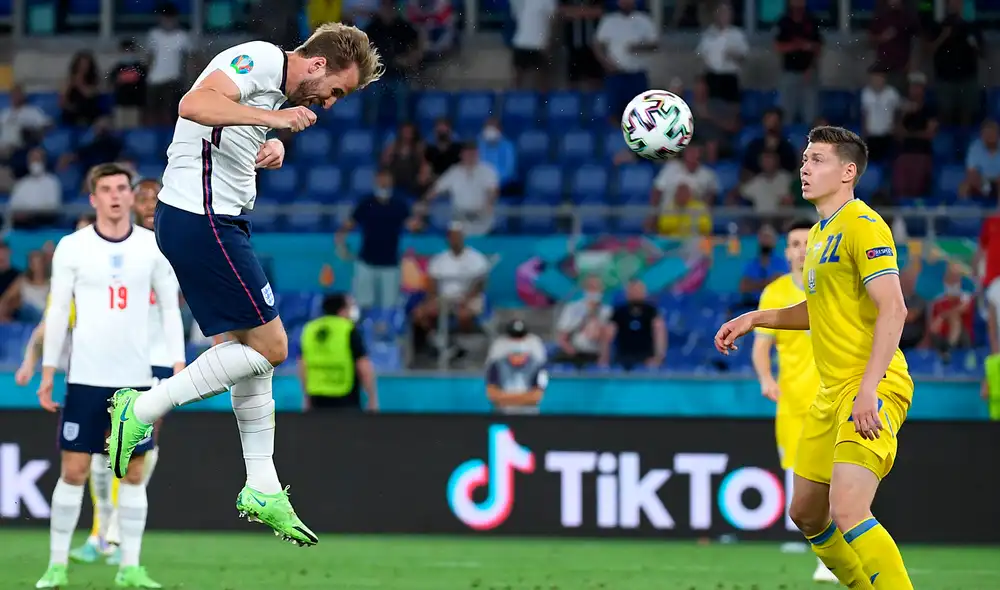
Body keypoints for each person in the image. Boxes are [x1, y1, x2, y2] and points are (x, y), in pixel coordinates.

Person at [105, 23, 383, 547]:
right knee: (273, 347)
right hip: (202, 218)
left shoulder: (270, 86)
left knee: (244, 355)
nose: (328, 103)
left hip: (215, 218)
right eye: (336, 91)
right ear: (319, 65)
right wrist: (270, 119)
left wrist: (265, 146)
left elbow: (223, 125)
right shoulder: (258, 58)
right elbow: (194, 104)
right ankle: (138, 409)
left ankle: (263, 484)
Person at [715, 126, 914, 589]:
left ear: (848, 172)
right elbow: (818, 310)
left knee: (848, 510)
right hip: (831, 393)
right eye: (804, 158)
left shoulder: (862, 225)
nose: (805, 167)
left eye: (818, 159)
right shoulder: (821, 235)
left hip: (873, 385)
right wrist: (755, 318)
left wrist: (869, 389)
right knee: (806, 513)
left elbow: (895, 306)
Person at [34, 163, 185, 589]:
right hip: (84, 377)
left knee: (134, 474)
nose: (117, 196)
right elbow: (59, 311)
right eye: (107, 189)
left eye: (123, 188)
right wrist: (49, 371)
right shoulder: (72, 247)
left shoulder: (153, 247)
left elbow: (169, 309)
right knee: (74, 471)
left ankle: (130, 567)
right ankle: (57, 565)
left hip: (135, 382)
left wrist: (176, 364)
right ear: (93, 198)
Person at [750, 218, 838, 584]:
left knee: (836, 475)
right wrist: (766, 379)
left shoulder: (833, 286)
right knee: (800, 476)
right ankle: (813, 540)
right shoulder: (775, 293)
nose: (801, 249)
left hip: (834, 397)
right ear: (786, 251)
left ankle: (831, 553)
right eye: (795, 243)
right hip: (794, 401)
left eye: (807, 242)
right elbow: (761, 347)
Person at [298, 293, 379, 412]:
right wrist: (372, 398)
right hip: (345, 399)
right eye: (350, 307)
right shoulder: (349, 329)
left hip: (316, 397)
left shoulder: (310, 329)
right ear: (342, 310)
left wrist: (306, 398)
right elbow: (363, 365)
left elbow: (303, 365)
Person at [485, 319, 548, 415]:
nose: (517, 343)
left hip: (529, 417)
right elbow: (492, 395)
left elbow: (536, 397)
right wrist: (525, 398)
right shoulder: (496, 364)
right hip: (502, 416)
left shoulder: (536, 365)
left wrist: (504, 398)